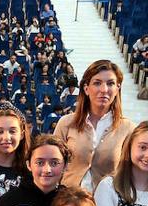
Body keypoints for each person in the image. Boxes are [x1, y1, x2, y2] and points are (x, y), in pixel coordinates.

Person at [54, 59, 135, 191]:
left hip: (106, 205)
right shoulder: (65, 123)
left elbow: (129, 174)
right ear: (86, 88)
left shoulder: (128, 128)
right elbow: (55, 164)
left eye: (110, 84)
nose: (104, 90)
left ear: (117, 88)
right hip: (67, 201)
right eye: (97, 83)